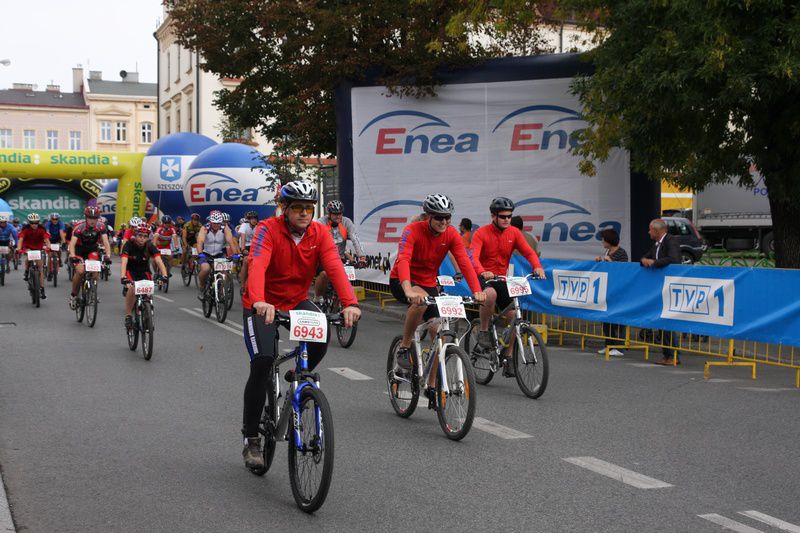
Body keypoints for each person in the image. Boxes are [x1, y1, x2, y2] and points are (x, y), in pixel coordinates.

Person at [240, 181, 361, 469]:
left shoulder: (320, 233)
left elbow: (334, 266)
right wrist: (259, 300)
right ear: (284, 208)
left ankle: (299, 376)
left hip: (295, 301)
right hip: (262, 303)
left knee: (322, 335)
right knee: (262, 362)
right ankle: (252, 438)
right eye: (297, 208)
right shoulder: (267, 229)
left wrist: (350, 303)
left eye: (309, 208)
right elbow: (258, 264)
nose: (304, 213)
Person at [389, 194, 485, 376]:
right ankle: (404, 346)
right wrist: (408, 289)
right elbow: (404, 259)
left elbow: (464, 261)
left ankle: (432, 384)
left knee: (439, 334)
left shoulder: (451, 234)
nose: (444, 222)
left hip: (428, 283)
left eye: (447, 217)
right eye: (439, 218)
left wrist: (477, 290)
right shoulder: (412, 230)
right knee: (420, 302)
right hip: (403, 280)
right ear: (428, 216)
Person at [470, 197, 546, 376]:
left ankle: (509, 356)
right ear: (493, 216)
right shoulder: (481, 233)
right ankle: (483, 331)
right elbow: (472, 257)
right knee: (490, 295)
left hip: (502, 278)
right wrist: (482, 271)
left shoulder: (514, 233)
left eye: (509, 216)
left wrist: (537, 266)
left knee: (515, 317)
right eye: (502, 216)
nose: (506, 219)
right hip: (483, 275)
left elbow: (529, 252)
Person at [640, 218, 682, 365]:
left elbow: (674, 259)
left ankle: (673, 355)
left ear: (657, 231)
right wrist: (645, 260)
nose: (648, 232)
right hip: (660, 287)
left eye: (650, 229)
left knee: (668, 322)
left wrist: (654, 263)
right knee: (661, 321)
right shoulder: (657, 244)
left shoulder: (671, 241)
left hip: (671, 286)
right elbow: (646, 257)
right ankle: (667, 354)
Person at [313, 200, 367, 301]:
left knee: (345, 277)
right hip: (323, 257)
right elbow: (314, 240)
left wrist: (362, 257)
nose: (338, 216)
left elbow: (355, 239)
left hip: (339, 257)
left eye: (340, 214)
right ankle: (317, 297)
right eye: (335, 214)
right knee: (324, 274)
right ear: (329, 214)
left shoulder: (346, 222)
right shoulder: (321, 222)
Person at [120, 223, 168, 329]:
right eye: (140, 235)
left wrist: (164, 275)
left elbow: (159, 261)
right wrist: (123, 277)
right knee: (132, 288)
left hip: (144, 271)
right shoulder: (129, 244)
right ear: (135, 235)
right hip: (130, 270)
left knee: (147, 293)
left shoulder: (150, 245)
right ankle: (128, 315)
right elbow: (124, 262)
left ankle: (147, 310)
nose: (142, 238)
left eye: (145, 236)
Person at [68, 207, 112, 309]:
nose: (93, 221)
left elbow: (106, 242)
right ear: (86, 217)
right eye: (90, 218)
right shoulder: (79, 227)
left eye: (95, 218)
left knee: (95, 271)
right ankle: (73, 295)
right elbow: (72, 244)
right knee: (80, 271)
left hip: (92, 250)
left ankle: (93, 292)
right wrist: (73, 255)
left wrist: (108, 256)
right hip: (79, 250)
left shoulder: (101, 226)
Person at [595, 228, 629, 357]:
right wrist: (600, 261)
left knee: (618, 318)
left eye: (604, 239)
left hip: (619, 289)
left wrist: (611, 262)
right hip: (608, 288)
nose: (602, 241)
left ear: (609, 240)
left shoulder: (621, 253)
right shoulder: (607, 251)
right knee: (606, 317)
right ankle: (608, 344)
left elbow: (623, 269)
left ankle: (619, 347)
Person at [196, 210, 239, 297]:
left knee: (225, 272)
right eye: (214, 223)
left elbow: (231, 241)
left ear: (221, 222)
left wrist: (235, 254)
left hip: (219, 254)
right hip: (206, 254)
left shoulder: (224, 227)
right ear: (210, 222)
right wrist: (200, 253)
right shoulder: (205, 228)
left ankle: (221, 291)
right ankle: (202, 285)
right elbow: (200, 241)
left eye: (218, 223)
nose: (216, 225)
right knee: (206, 269)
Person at [17, 212, 51, 300]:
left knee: (40, 268)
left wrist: (49, 247)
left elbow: (47, 239)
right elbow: (21, 239)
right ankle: (26, 271)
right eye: (32, 223)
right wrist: (19, 249)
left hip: (38, 248)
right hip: (28, 247)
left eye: (36, 223)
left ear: (38, 222)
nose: (34, 224)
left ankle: (42, 289)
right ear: (29, 223)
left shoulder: (42, 229)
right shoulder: (25, 229)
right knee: (28, 256)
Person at [237, 210, 259, 289]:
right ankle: (242, 286)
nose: (254, 220)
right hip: (245, 245)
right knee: (246, 261)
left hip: (254, 246)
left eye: (255, 218)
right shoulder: (244, 225)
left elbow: (260, 240)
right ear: (249, 220)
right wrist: (243, 250)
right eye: (252, 219)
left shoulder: (258, 226)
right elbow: (243, 238)